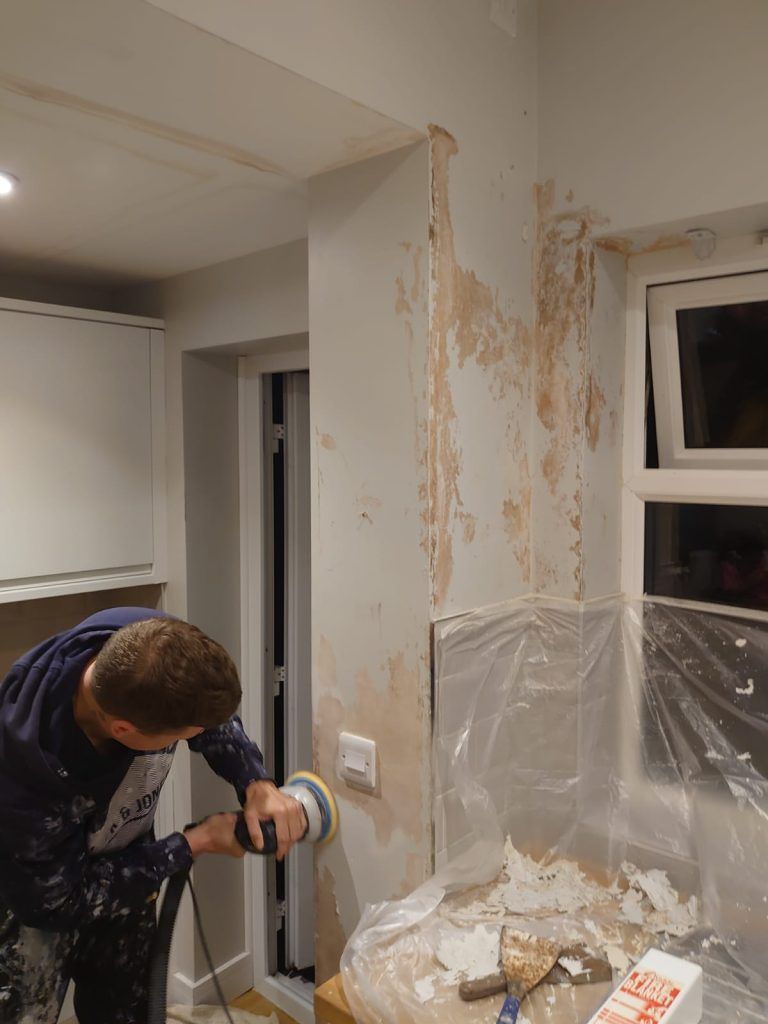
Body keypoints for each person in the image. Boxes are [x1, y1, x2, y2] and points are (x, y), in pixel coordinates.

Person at [0, 607, 306, 1024]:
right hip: (39, 895)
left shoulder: (145, 643)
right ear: (124, 731)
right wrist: (195, 844)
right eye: (183, 738)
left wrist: (257, 784)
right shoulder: (25, 776)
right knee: (26, 1013)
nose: (194, 740)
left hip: (129, 866)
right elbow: (57, 902)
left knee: (126, 1011)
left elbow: (208, 719)